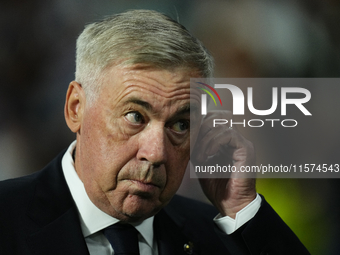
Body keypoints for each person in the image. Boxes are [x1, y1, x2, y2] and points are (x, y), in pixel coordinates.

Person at [0, 9, 310, 255]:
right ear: (76, 108)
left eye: (180, 125)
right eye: (135, 116)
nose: (157, 152)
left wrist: (242, 209)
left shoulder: (220, 235)